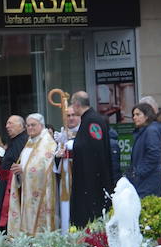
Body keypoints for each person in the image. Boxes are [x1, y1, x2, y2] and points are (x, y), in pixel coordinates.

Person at [68, 90, 113, 228]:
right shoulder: (88, 120)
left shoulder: (92, 121)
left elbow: (96, 149)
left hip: (92, 180)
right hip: (88, 178)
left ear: (76, 104)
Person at [8, 114, 57, 234]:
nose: (30, 128)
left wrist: (23, 169)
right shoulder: (30, 141)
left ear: (41, 125)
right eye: (28, 125)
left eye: (33, 125)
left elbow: (45, 168)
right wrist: (18, 171)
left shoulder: (47, 143)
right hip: (26, 189)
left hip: (41, 193)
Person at [0, 114, 27, 234]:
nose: (7, 126)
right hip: (4, 185)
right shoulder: (14, 141)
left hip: (11, 186)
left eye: (11, 124)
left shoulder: (22, 141)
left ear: (21, 126)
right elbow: (6, 162)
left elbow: (15, 164)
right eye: (7, 123)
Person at [126, 101, 161, 198]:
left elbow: (154, 155)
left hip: (148, 180)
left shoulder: (151, 131)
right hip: (144, 180)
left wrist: (139, 173)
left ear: (147, 116)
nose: (134, 117)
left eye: (138, 114)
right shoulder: (143, 131)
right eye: (133, 115)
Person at [54, 108, 80, 233]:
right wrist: (58, 154)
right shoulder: (62, 134)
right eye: (68, 115)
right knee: (65, 211)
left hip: (79, 177)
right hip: (65, 179)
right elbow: (57, 161)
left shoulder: (83, 132)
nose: (70, 118)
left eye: (73, 115)